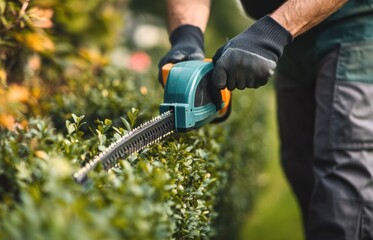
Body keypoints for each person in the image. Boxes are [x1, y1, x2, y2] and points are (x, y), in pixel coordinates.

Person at [158, 0, 373, 239]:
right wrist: (186, 36)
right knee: (301, 168)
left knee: (342, 188)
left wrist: (271, 33)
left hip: (354, 26)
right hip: (293, 37)